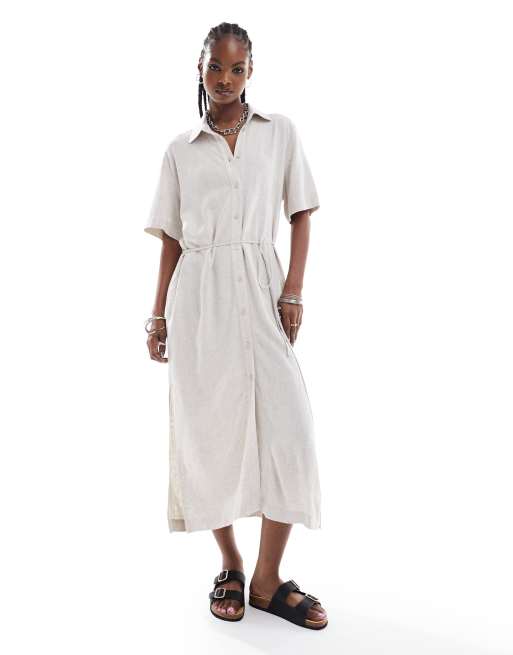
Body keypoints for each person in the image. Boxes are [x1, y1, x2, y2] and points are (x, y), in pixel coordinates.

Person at [144, 22, 328, 630]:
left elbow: (301, 213)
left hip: (261, 286)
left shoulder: (279, 133)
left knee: (291, 431)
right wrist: (157, 314)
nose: (225, 79)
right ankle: (231, 564)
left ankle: (269, 579)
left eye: (237, 68)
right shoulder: (180, 149)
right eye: (215, 67)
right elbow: (171, 239)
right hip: (199, 297)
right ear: (199, 70)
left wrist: (293, 289)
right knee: (209, 433)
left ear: (251, 72)